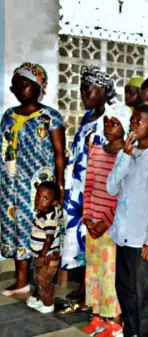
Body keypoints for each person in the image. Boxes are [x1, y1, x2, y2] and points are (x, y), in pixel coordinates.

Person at [0, 63, 66, 297]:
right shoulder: (8, 116)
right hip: (11, 187)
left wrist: (59, 187)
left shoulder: (50, 117)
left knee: (39, 231)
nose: (20, 89)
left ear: (39, 86)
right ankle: (20, 281)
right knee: (16, 229)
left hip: (39, 188)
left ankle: (43, 282)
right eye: (16, 85)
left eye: (25, 84)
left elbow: (60, 154)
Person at [107, 104, 148, 337]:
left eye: (138, 122)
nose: (132, 125)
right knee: (125, 292)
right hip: (123, 236)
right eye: (132, 121)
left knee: (144, 298)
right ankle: (130, 333)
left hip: (142, 241)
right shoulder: (128, 153)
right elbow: (111, 187)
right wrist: (123, 157)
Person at [62, 66, 115, 304]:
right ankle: (86, 288)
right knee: (81, 236)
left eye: (88, 89)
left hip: (97, 188)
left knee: (93, 238)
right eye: (81, 89)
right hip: (79, 186)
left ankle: (94, 293)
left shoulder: (112, 118)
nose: (83, 95)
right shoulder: (88, 116)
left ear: (103, 90)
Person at [80, 105, 130, 337]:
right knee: (94, 270)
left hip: (112, 227)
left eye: (115, 123)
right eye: (107, 122)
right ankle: (98, 315)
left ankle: (115, 320)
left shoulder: (128, 157)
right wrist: (88, 216)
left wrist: (104, 223)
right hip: (93, 224)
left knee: (110, 273)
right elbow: (89, 185)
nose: (109, 127)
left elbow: (123, 196)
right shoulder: (97, 151)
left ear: (125, 127)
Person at [27, 181, 63, 314]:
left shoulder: (50, 218)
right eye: (38, 197)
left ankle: (49, 304)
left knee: (44, 280)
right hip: (41, 255)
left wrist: (42, 255)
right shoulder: (41, 213)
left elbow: (49, 239)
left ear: (54, 202)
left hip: (48, 256)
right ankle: (38, 298)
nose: (39, 201)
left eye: (45, 198)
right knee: (38, 278)